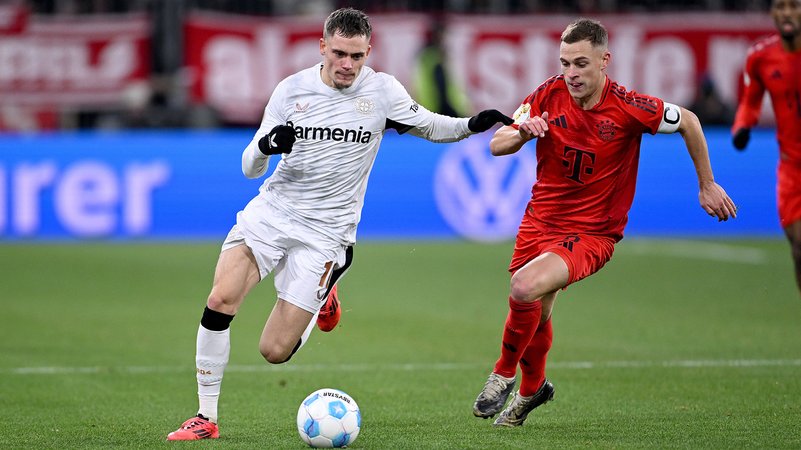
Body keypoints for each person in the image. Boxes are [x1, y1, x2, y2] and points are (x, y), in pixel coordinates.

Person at [166, 7, 512, 440]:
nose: (348, 65)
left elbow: (428, 125)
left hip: (327, 234)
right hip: (272, 215)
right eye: (340, 54)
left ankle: (325, 293)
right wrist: (268, 146)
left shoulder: (382, 92)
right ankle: (206, 417)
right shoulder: (292, 91)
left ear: (369, 52)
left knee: (274, 351)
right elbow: (249, 167)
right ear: (323, 48)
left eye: (357, 56)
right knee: (221, 298)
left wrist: (471, 125)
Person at [471, 18, 738, 428]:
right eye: (564, 64)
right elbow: (496, 143)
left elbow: (689, 120)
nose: (571, 74)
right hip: (539, 220)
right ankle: (532, 391)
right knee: (536, 312)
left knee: (524, 287)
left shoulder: (631, 107)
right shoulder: (546, 93)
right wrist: (523, 132)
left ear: (604, 61)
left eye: (580, 63)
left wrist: (707, 184)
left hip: (593, 232)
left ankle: (503, 373)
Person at [732, 0, 801, 297]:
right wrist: (743, 126)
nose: (786, 13)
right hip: (791, 169)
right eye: (780, 6)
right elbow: (750, 100)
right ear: (772, 13)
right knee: (798, 246)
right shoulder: (760, 57)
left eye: (794, 6)